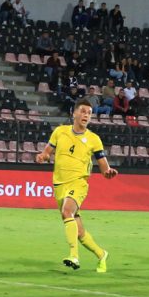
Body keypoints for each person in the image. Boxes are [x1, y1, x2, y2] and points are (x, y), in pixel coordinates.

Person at [35, 99, 118, 272]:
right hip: (59, 184)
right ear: (74, 113)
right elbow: (47, 152)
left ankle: (74, 255)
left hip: (79, 182)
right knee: (79, 232)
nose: (86, 115)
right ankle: (102, 254)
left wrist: (108, 173)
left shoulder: (94, 139)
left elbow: (104, 167)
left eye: (89, 112)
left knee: (67, 211)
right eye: (83, 111)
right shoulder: (60, 132)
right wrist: (43, 157)